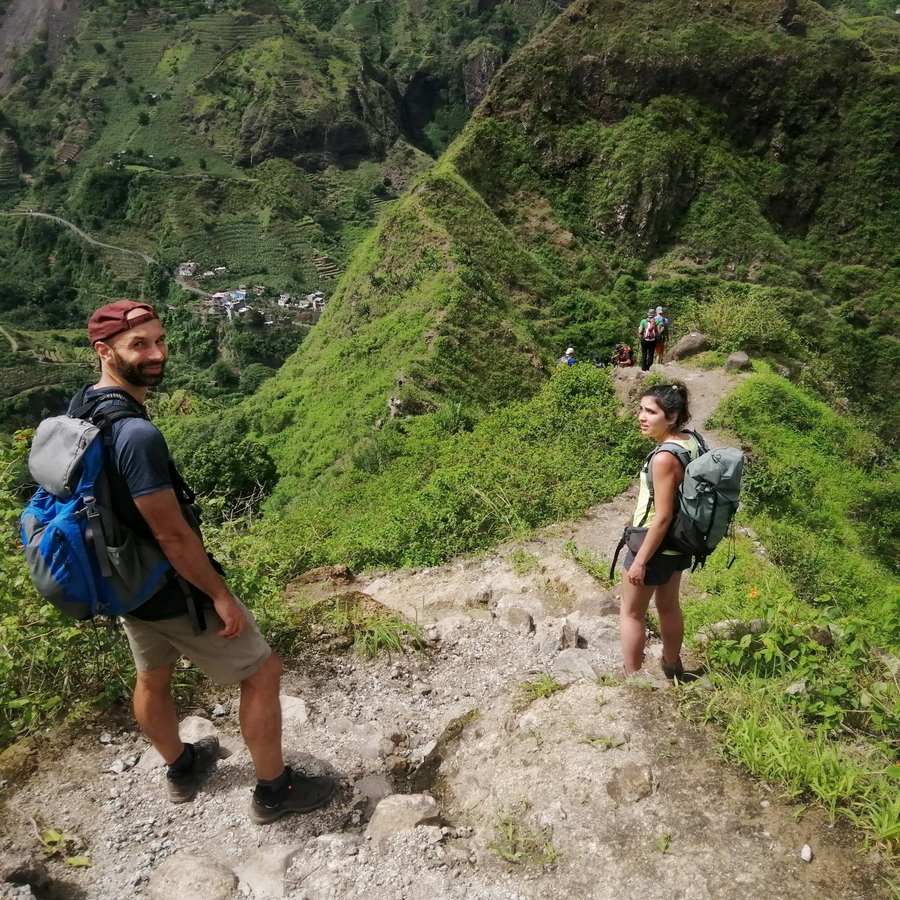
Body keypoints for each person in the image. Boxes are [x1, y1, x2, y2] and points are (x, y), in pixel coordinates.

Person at [80, 300, 336, 823]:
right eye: (139, 345)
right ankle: (275, 791)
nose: (157, 353)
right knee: (262, 671)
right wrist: (219, 594)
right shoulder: (136, 436)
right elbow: (172, 535)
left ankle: (182, 767)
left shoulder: (85, 407)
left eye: (159, 340)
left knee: (152, 675)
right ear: (105, 351)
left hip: (122, 579)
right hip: (170, 585)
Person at [618, 383, 701, 679]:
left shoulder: (664, 457)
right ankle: (672, 666)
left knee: (631, 612)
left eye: (651, 412)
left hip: (654, 543)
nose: (642, 417)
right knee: (668, 605)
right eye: (641, 409)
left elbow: (663, 516)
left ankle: (632, 678)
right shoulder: (690, 441)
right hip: (681, 541)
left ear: (672, 417)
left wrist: (640, 560)